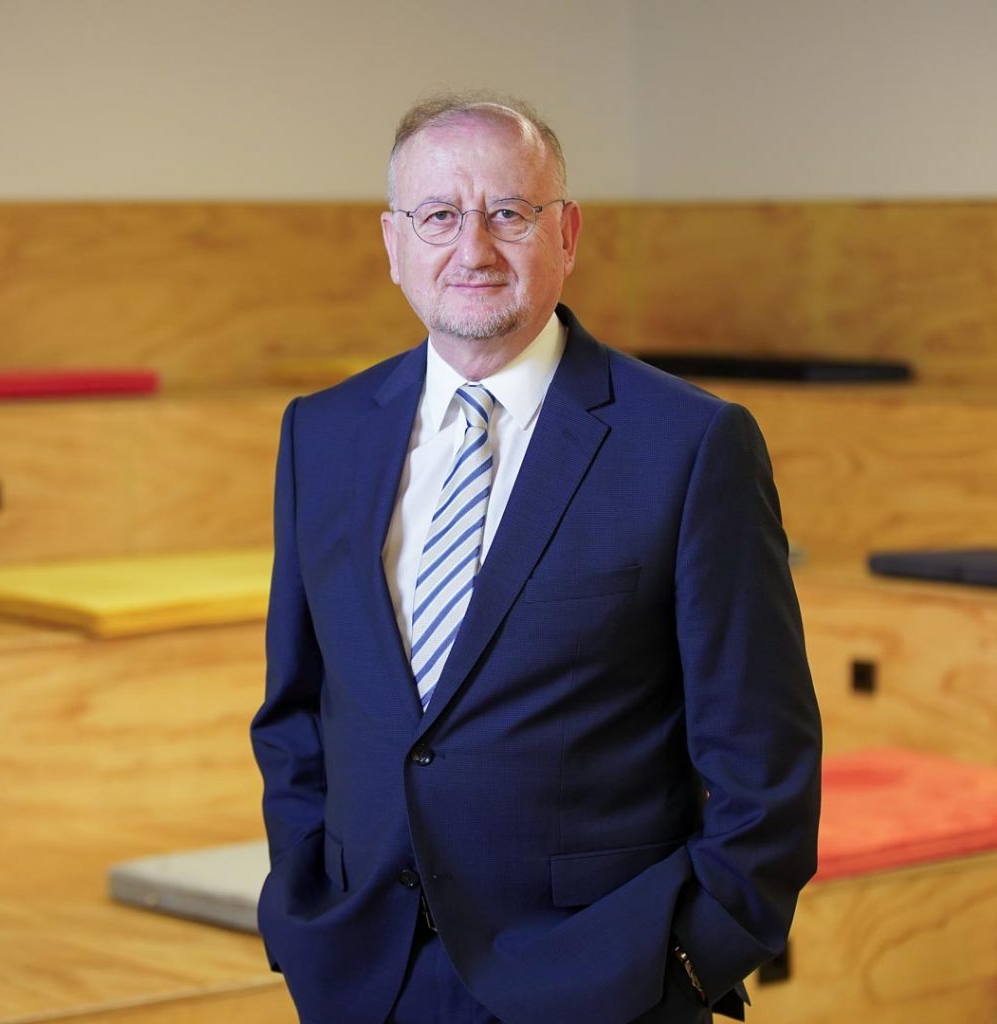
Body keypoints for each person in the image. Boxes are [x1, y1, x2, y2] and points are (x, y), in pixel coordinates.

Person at [251, 93, 821, 1024]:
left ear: (568, 234)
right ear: (393, 243)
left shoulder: (689, 444)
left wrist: (689, 960)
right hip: (363, 977)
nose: (472, 249)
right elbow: (295, 712)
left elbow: (766, 756)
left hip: (603, 980)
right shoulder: (321, 434)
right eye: (439, 216)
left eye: (509, 214)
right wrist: (303, 911)